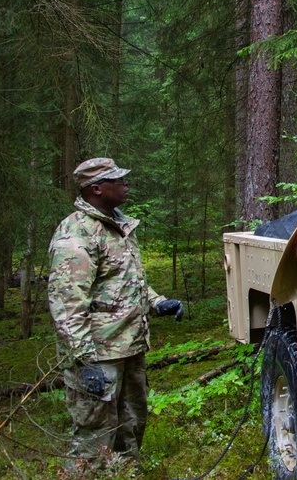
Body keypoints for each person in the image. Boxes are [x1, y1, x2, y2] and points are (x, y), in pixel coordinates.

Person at [48, 157, 184, 466]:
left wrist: (157, 301)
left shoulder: (119, 226)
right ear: (96, 189)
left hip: (129, 347)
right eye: (117, 181)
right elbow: (68, 305)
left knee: (131, 428)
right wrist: (84, 363)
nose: (125, 184)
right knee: (94, 439)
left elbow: (126, 281)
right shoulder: (76, 235)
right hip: (99, 355)